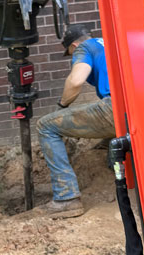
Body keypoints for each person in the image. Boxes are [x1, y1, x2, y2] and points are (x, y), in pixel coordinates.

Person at [37, 24, 115, 218]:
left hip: (116, 106)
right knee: (108, 138)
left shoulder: (84, 48)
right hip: (140, 108)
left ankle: (66, 198)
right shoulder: (108, 43)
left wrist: (63, 105)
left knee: (45, 126)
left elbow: (76, 80)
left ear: (73, 46)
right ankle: (113, 171)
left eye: (70, 54)